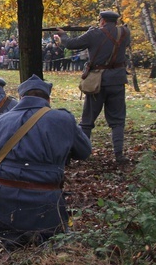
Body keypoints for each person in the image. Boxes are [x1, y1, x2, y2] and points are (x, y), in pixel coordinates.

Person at [0, 75, 92, 249]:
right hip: (45, 204)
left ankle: (1, 237)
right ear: (48, 99)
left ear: (21, 97)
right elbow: (84, 152)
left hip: (1, 205)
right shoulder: (64, 119)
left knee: (10, 241)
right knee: (52, 244)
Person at [55, 10, 131, 163]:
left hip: (97, 80)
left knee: (87, 121)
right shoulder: (125, 33)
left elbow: (71, 44)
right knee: (117, 120)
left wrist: (62, 35)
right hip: (117, 80)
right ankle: (119, 155)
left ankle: (82, 155)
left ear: (102, 20)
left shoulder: (94, 34)